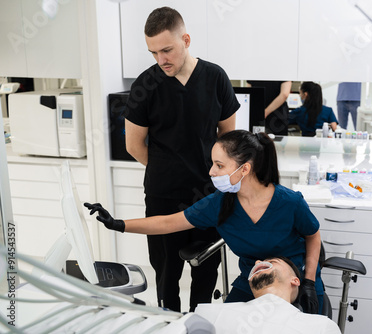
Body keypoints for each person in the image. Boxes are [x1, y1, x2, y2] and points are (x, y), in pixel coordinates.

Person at [85, 130, 323, 314]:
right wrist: (118, 224)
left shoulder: (289, 202)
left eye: (219, 165)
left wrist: (309, 282)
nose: (211, 172)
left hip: (294, 279)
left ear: (245, 169)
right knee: (224, 324)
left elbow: (313, 236)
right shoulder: (219, 204)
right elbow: (169, 223)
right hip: (253, 279)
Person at [123, 7, 240, 312]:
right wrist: (168, 169)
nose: (161, 60)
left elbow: (229, 139)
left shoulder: (215, 77)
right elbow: (134, 145)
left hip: (209, 196)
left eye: (167, 50)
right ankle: (167, 325)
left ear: (186, 40)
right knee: (166, 274)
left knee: (205, 274)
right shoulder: (145, 86)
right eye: (154, 53)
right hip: (163, 199)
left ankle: (198, 325)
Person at [195, 256, 340, 334]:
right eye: (258, 262)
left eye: (272, 262)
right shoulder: (212, 314)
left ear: (295, 280)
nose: (258, 262)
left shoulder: (320, 326)